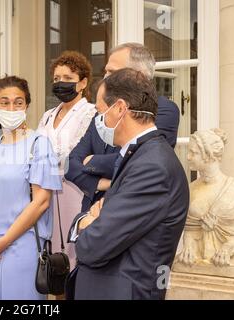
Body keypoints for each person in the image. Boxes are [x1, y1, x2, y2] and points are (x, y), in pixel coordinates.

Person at [68, 68, 189, 300]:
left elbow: (93, 246)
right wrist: (92, 219)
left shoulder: (152, 166)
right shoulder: (140, 155)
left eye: (100, 112)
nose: (98, 121)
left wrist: (84, 222)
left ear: (121, 108)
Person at [0, 76, 62, 300]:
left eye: (18, 102)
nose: (11, 108)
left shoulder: (40, 145)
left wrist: (4, 242)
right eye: (4, 102)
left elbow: (41, 202)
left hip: (21, 247)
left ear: (27, 106)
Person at [66, 43, 180, 212]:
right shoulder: (103, 111)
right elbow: (71, 164)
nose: (105, 77)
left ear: (138, 75)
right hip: (90, 212)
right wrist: (103, 184)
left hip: (129, 213)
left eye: (112, 72)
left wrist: (91, 161)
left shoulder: (162, 110)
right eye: (105, 71)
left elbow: (140, 160)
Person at [38, 51, 96, 270]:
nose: (60, 83)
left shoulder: (90, 113)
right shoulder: (48, 115)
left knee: (74, 250)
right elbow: (37, 149)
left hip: (75, 189)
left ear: (82, 83)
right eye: (56, 79)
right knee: (53, 255)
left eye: (67, 79)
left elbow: (78, 154)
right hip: (46, 190)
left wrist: (50, 157)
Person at [178, 129, 234, 267]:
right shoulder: (190, 189)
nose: (188, 157)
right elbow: (191, 228)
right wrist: (188, 247)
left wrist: (227, 249)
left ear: (208, 155)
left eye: (193, 152)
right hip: (199, 261)